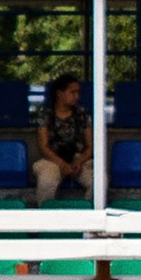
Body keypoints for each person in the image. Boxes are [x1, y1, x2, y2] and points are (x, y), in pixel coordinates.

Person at [32, 74, 93, 204]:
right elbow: (43, 146)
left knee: (99, 181)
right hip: (52, 160)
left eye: (78, 92)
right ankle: (45, 216)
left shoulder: (82, 114)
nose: (77, 96)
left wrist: (79, 161)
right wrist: (63, 164)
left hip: (80, 161)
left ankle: (89, 216)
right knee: (47, 181)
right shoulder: (46, 115)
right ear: (59, 93)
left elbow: (90, 146)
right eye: (72, 92)